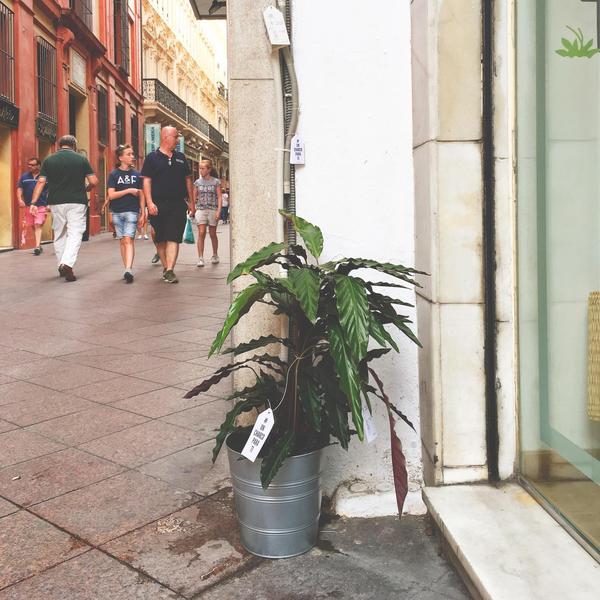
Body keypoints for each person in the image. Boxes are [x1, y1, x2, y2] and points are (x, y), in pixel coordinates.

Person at [30, 135, 97, 282]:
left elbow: (40, 182)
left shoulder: (49, 160)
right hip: (77, 201)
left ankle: (61, 263)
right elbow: (93, 181)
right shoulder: (81, 159)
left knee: (59, 233)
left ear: (59, 145)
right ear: (74, 146)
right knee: (75, 232)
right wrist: (87, 188)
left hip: (56, 202)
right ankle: (67, 263)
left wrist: (33, 202)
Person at [141, 126, 194, 283]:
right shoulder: (152, 158)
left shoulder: (181, 158)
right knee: (160, 238)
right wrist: (149, 202)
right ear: (165, 137)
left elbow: (188, 180)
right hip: (158, 204)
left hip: (178, 204)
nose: (178, 140)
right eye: (175, 137)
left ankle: (170, 269)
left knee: (173, 237)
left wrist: (191, 202)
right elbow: (146, 181)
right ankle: (166, 267)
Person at [103, 144, 145, 283]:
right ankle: (126, 268)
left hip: (132, 211)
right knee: (122, 241)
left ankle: (128, 269)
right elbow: (111, 195)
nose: (132, 156)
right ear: (120, 158)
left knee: (128, 240)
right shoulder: (114, 174)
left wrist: (143, 212)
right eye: (129, 154)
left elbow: (142, 194)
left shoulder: (137, 175)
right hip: (117, 212)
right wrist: (129, 191)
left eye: (132, 154)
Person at [17, 158, 48, 255]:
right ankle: (39, 244)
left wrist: (49, 203)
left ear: (38, 165)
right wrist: (19, 199)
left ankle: (37, 246)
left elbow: (50, 190)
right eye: (29, 164)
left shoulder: (44, 177)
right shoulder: (24, 176)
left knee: (38, 224)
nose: (30, 166)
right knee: (32, 225)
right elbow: (20, 188)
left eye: (32, 165)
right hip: (28, 205)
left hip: (41, 205)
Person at [194, 159, 222, 267]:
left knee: (212, 233)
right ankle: (200, 258)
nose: (200, 170)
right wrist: (193, 208)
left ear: (209, 169)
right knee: (201, 232)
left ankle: (215, 254)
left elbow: (219, 197)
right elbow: (194, 196)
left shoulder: (216, 182)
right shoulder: (197, 182)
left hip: (212, 209)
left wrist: (219, 210)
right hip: (201, 209)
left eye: (203, 168)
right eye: (200, 168)